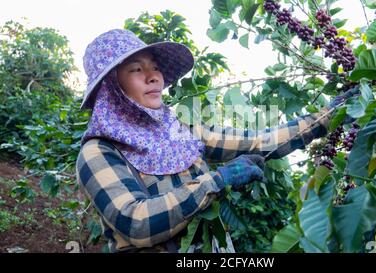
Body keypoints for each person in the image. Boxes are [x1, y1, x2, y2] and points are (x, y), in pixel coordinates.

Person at [75, 29, 358, 253]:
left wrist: (326, 117)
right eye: (136, 69)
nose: (154, 77)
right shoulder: (98, 151)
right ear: (111, 86)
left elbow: (258, 142)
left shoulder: (180, 130)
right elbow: (136, 222)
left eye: (154, 67)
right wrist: (217, 181)